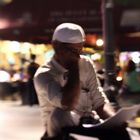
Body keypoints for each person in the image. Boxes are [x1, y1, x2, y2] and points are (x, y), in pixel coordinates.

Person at [33, 23, 119, 139]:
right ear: (56, 46)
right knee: (60, 113)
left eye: (79, 49)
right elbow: (67, 104)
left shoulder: (86, 64)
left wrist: (114, 121)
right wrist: (74, 67)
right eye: (71, 50)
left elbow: (99, 100)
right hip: (60, 133)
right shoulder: (44, 75)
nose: (76, 55)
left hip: (89, 124)